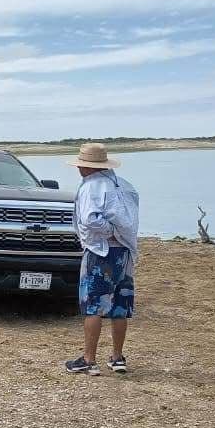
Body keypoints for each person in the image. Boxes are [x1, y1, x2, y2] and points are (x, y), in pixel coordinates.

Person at [64, 143, 140, 376]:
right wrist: (119, 234)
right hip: (124, 251)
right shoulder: (126, 186)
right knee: (120, 305)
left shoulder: (91, 187)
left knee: (93, 306)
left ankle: (89, 360)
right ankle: (117, 357)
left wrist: (109, 231)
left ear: (85, 167)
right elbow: (132, 220)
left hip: (101, 251)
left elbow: (89, 220)